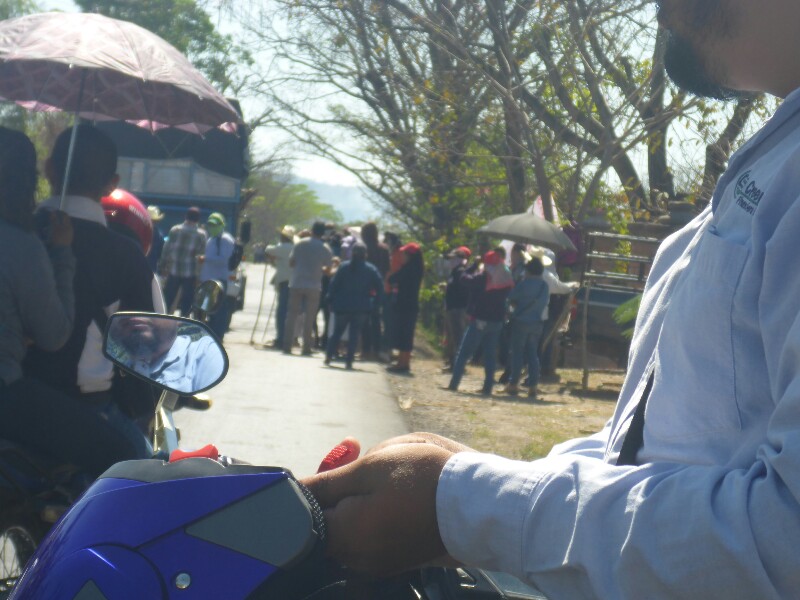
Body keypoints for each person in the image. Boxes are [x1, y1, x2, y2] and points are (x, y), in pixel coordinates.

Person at [301, 3, 800, 597]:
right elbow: (649, 449)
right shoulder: (771, 163)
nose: (659, 10)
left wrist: (462, 505)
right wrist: (478, 482)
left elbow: (785, 538)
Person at [0, 127, 144, 477]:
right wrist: (63, 254)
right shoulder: (28, 243)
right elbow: (55, 336)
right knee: (134, 465)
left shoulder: (28, 233)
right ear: (112, 183)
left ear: (50, 169)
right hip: (61, 401)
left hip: (25, 395)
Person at [446, 250, 514, 396]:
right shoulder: (506, 278)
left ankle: (454, 384)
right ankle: (487, 388)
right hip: (497, 321)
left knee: (463, 353)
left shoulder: (483, 277)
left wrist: (473, 266)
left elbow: (464, 279)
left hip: (479, 320)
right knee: (490, 356)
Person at [107, 315, 225, 393]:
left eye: (150, 305)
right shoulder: (111, 367)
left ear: (177, 319)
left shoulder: (204, 354)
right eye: (123, 307)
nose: (135, 314)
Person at [324, 244, 384, 370]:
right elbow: (380, 287)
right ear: (365, 255)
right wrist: (376, 304)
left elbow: (334, 284)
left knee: (337, 332)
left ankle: (328, 356)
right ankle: (349, 361)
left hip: (342, 305)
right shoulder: (371, 269)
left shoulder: (344, 267)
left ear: (352, 253)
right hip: (362, 307)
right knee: (354, 334)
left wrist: (329, 299)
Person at [283, 221, 333, 355]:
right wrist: (319, 268)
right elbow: (328, 270)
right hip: (314, 285)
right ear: (323, 233)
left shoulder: (300, 243)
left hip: (296, 282)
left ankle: (287, 345)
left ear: (312, 230)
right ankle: (306, 348)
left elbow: (291, 262)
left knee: (292, 315)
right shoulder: (325, 248)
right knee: (310, 317)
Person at [504, 258, 550, 398]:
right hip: (537, 323)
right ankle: (533, 385)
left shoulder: (524, 284)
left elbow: (511, 296)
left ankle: (513, 383)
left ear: (529, 271)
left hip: (521, 322)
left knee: (517, 353)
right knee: (532, 354)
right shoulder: (544, 286)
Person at [160, 206, 207, 317]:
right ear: (198, 219)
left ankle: (163, 320)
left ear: (186, 216)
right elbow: (202, 256)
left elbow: (166, 249)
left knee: (167, 299)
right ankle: (184, 322)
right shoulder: (201, 235)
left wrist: (163, 266)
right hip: (190, 273)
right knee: (187, 302)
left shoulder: (175, 230)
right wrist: (200, 275)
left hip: (174, 270)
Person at [385, 242, 424, 373]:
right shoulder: (417, 269)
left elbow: (392, 279)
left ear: (410, 256)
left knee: (404, 335)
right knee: (406, 334)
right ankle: (403, 362)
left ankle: (403, 363)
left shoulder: (408, 269)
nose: (401, 256)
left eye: (404, 254)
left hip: (405, 305)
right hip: (410, 305)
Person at [199, 212, 236, 340]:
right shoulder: (211, 239)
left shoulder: (225, 240)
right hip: (208, 279)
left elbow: (225, 259)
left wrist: (206, 259)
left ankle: (218, 336)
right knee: (208, 309)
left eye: (215, 225)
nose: (212, 227)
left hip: (219, 280)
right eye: (210, 225)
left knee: (219, 310)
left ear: (222, 225)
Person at [360, 222, 391, 360]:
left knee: (364, 319)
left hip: (364, 288)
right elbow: (387, 269)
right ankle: (376, 350)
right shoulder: (384, 249)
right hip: (380, 287)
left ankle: (365, 350)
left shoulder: (363, 249)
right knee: (376, 320)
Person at [264, 225, 296, 349]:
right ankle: (287, 338)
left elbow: (268, 249)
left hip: (284, 282)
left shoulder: (283, 247)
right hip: (293, 282)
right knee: (289, 312)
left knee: (281, 312)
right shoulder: (294, 247)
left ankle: (281, 339)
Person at [442, 246, 471, 372]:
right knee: (451, 337)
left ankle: (459, 365)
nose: (450, 261)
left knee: (458, 337)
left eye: (453, 259)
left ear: (460, 259)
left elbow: (463, 290)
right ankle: (452, 362)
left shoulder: (461, 271)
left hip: (458, 309)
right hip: (451, 308)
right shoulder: (454, 272)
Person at [147, 205, 166, 273]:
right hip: (151, 267)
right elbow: (161, 253)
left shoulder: (137, 230)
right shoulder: (158, 234)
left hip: (137, 264)